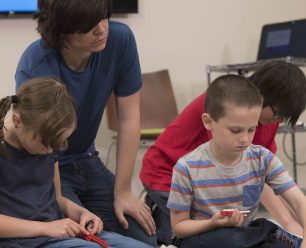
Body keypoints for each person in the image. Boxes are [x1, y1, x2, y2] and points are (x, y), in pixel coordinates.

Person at [15, 0, 156, 246]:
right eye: (88, 26)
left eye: (103, 17)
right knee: (86, 238)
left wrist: (123, 192)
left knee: (144, 235)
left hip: (87, 159)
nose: (101, 29)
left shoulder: (120, 38)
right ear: (61, 30)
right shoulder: (35, 64)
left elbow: (129, 117)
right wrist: (63, 203)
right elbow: (42, 145)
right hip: (51, 166)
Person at [140, 60, 306, 244]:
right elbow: (258, 185)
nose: (278, 120)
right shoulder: (223, 106)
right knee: (211, 234)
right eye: (276, 113)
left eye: (251, 130)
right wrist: (288, 222)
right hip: (165, 175)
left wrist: (294, 223)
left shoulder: (265, 122)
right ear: (262, 94)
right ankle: (161, 221)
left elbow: (263, 177)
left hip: (214, 187)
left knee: (248, 232)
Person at [0, 77, 152, 248]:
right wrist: (46, 228)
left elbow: (57, 199)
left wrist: (82, 213)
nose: (51, 150)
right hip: (23, 241)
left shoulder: (47, 144)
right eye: (46, 143)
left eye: (58, 143)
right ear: (17, 121)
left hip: (55, 235)